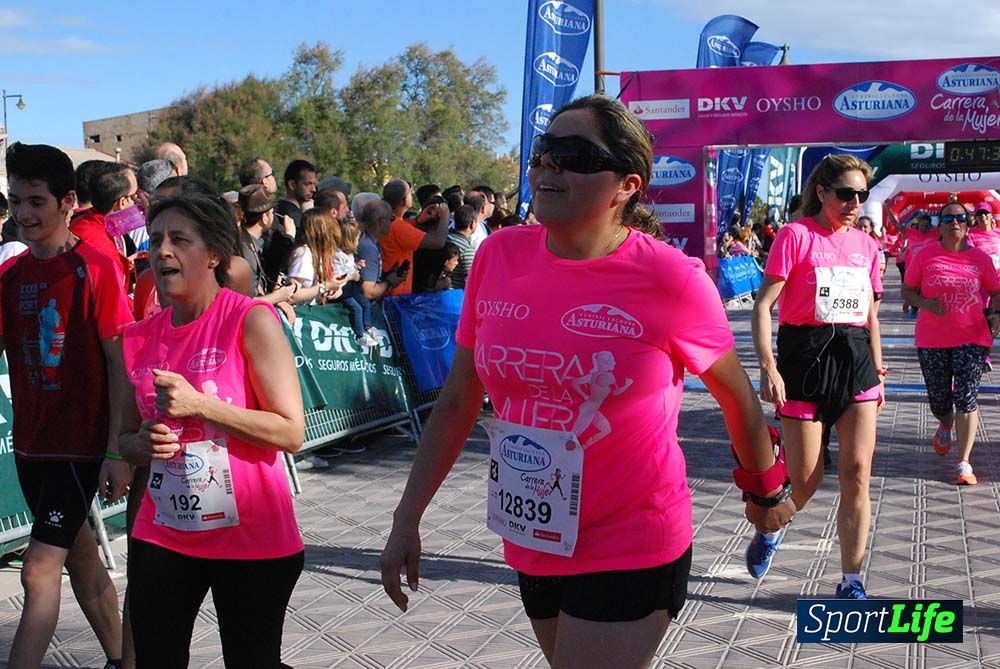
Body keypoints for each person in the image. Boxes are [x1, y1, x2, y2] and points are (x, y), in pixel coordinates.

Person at [380, 95, 793, 669]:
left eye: (573, 155)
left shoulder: (671, 278)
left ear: (626, 184)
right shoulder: (498, 256)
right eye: (544, 150)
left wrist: (765, 489)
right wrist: (407, 517)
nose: (548, 165)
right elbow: (457, 401)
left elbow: (736, 398)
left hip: (632, 537)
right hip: (533, 533)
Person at [117, 192, 305, 668]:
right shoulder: (138, 338)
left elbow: (290, 431)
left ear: (215, 254)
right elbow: (123, 440)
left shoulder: (249, 319)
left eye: (179, 239)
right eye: (156, 240)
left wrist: (202, 405)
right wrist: (139, 445)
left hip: (252, 535)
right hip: (164, 532)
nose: (162, 252)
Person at [2, 143, 132, 669]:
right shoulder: (8, 280)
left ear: (68, 202)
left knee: (37, 570)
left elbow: (120, 363)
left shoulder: (95, 266)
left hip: (80, 447)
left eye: (36, 201)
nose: (25, 214)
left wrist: (117, 451)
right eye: (16, 201)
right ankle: (126, 659)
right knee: (80, 559)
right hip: (31, 448)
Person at [751, 154, 884, 600]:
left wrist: (878, 368)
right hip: (803, 358)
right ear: (822, 192)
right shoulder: (795, 235)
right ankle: (772, 526)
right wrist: (768, 366)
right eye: (845, 193)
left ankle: (851, 581)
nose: (854, 203)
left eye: (861, 196)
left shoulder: (866, 245)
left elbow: (871, 312)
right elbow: (764, 305)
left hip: (855, 358)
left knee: (858, 471)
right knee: (808, 479)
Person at [902, 202, 1000, 486]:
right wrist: (925, 303)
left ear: (967, 224)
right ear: (940, 224)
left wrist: (995, 314)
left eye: (960, 218)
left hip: (972, 335)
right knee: (940, 399)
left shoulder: (980, 259)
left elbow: (996, 291)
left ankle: (964, 462)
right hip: (932, 338)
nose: (954, 222)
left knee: (967, 396)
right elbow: (907, 291)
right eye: (948, 218)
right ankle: (945, 423)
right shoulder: (926, 255)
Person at [379, 179, 449, 296]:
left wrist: (418, 220)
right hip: (396, 294)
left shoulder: (388, 219)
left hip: (392, 289)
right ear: (403, 201)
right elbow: (438, 242)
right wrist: (445, 216)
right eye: (409, 193)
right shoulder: (398, 227)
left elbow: (403, 227)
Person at [446, 204, 477, 289]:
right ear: (472, 224)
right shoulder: (467, 250)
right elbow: (471, 280)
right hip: (455, 296)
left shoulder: (444, 238)